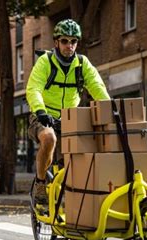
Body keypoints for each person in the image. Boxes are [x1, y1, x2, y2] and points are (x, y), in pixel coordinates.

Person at [26, 19, 111, 206]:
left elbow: (97, 86)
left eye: (73, 41)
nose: (69, 46)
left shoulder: (82, 63)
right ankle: (40, 183)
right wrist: (40, 110)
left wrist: (110, 108)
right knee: (49, 139)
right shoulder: (45, 62)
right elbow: (34, 88)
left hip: (70, 118)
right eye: (65, 41)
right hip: (43, 115)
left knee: (77, 159)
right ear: (56, 42)